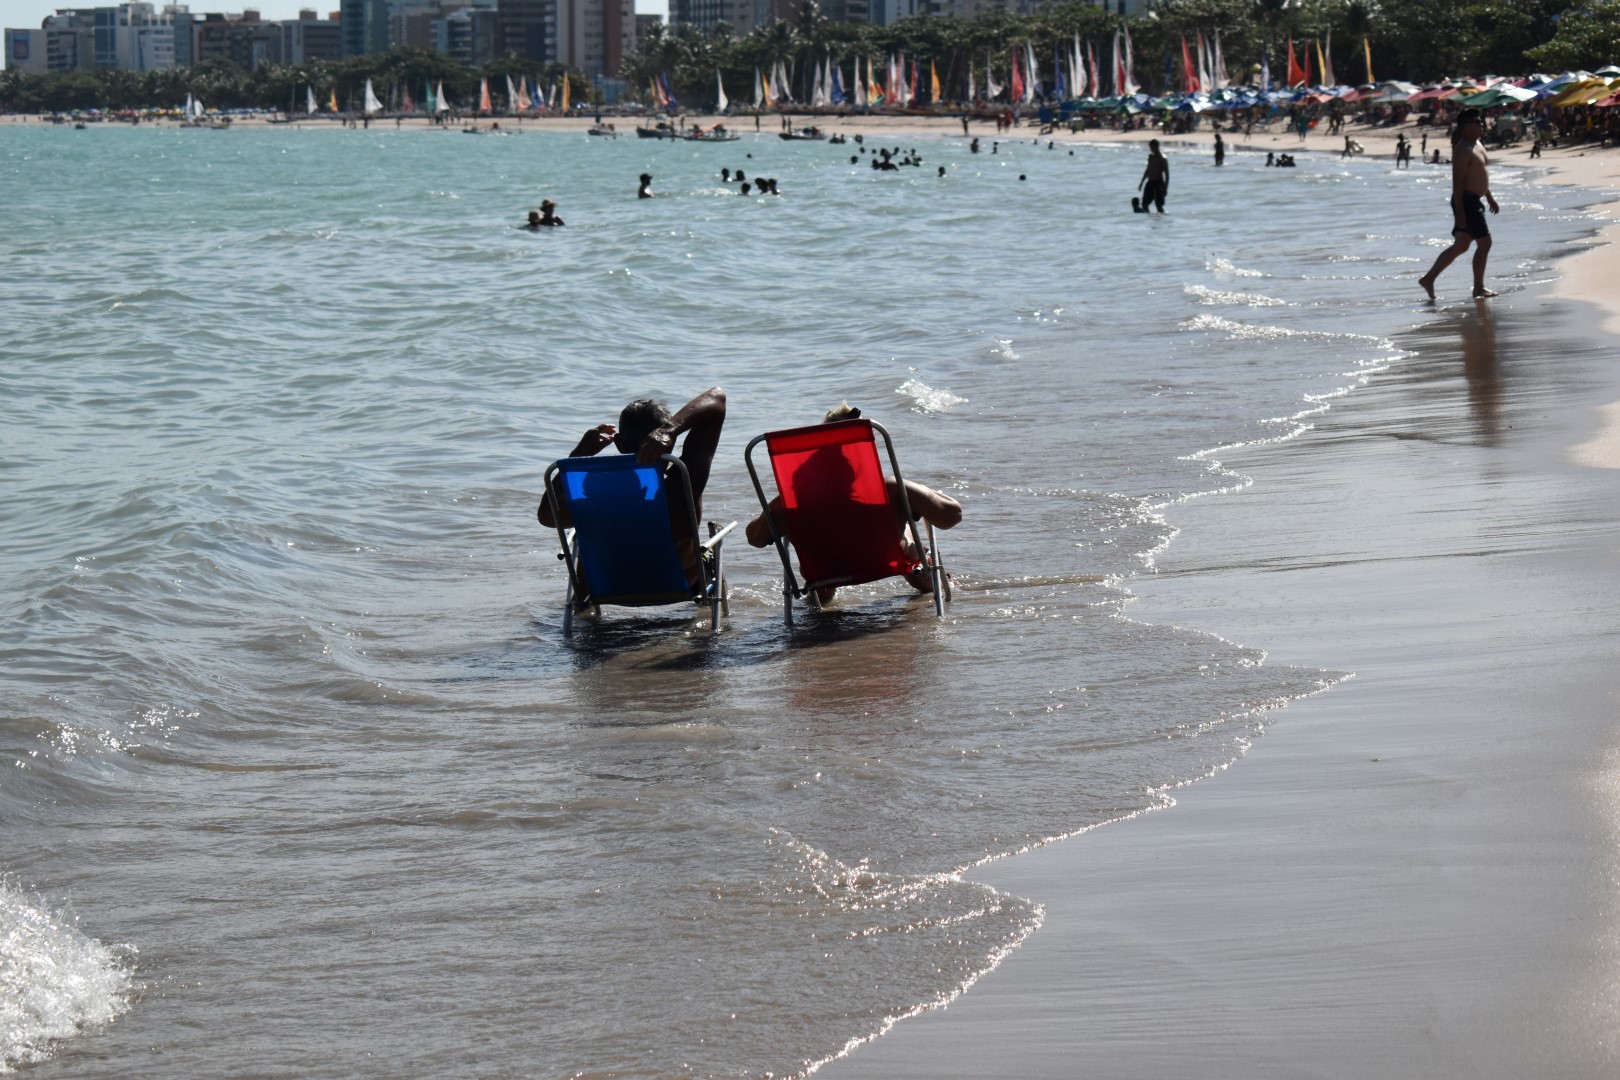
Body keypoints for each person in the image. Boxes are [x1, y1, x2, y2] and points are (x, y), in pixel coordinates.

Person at [744, 402, 961, 600]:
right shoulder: (891, 490)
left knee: (821, 556)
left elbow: (755, 539)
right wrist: (925, 493)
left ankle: (820, 602)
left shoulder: (787, 504)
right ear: (854, 472)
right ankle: (926, 574)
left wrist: (772, 509)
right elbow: (951, 516)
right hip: (885, 561)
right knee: (904, 530)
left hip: (825, 573)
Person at [537, 388, 727, 584]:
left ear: (618, 443)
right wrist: (670, 429)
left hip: (612, 585)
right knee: (711, 549)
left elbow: (546, 516)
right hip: (675, 583)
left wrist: (578, 454)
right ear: (669, 444)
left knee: (584, 541)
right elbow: (717, 399)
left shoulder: (594, 495)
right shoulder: (682, 485)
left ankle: (583, 610)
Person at [1419, 107, 1500, 300]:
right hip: (1467, 201)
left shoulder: (1478, 144)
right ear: (1465, 127)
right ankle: (1478, 288)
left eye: (1481, 121)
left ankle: (1428, 279)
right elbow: (1458, 182)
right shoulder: (1462, 150)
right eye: (1476, 122)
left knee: (1462, 245)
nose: (1481, 124)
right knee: (1485, 243)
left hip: (1476, 200)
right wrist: (1460, 212)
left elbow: (1480, 176)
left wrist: (1489, 197)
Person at [1138, 139, 1169, 213]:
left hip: (1158, 183)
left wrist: (1165, 188)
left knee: (1158, 205)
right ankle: (1150, 219)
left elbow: (1167, 174)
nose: (1151, 149)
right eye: (1150, 148)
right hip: (1150, 182)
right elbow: (1148, 170)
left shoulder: (1163, 158)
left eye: (1152, 147)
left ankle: (1161, 221)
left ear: (1157, 147)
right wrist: (1141, 182)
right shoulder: (1150, 157)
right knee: (1144, 204)